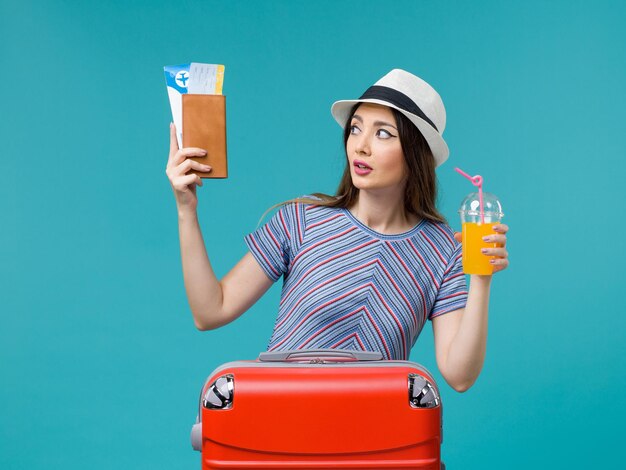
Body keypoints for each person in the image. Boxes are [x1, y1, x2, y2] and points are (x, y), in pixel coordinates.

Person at [165, 69, 509, 392]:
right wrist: (186, 210)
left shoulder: (440, 250)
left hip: (373, 442)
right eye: (356, 128)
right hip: (279, 425)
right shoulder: (303, 219)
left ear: (416, 152)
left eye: (383, 133)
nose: (361, 145)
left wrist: (480, 280)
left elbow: (459, 376)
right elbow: (211, 311)